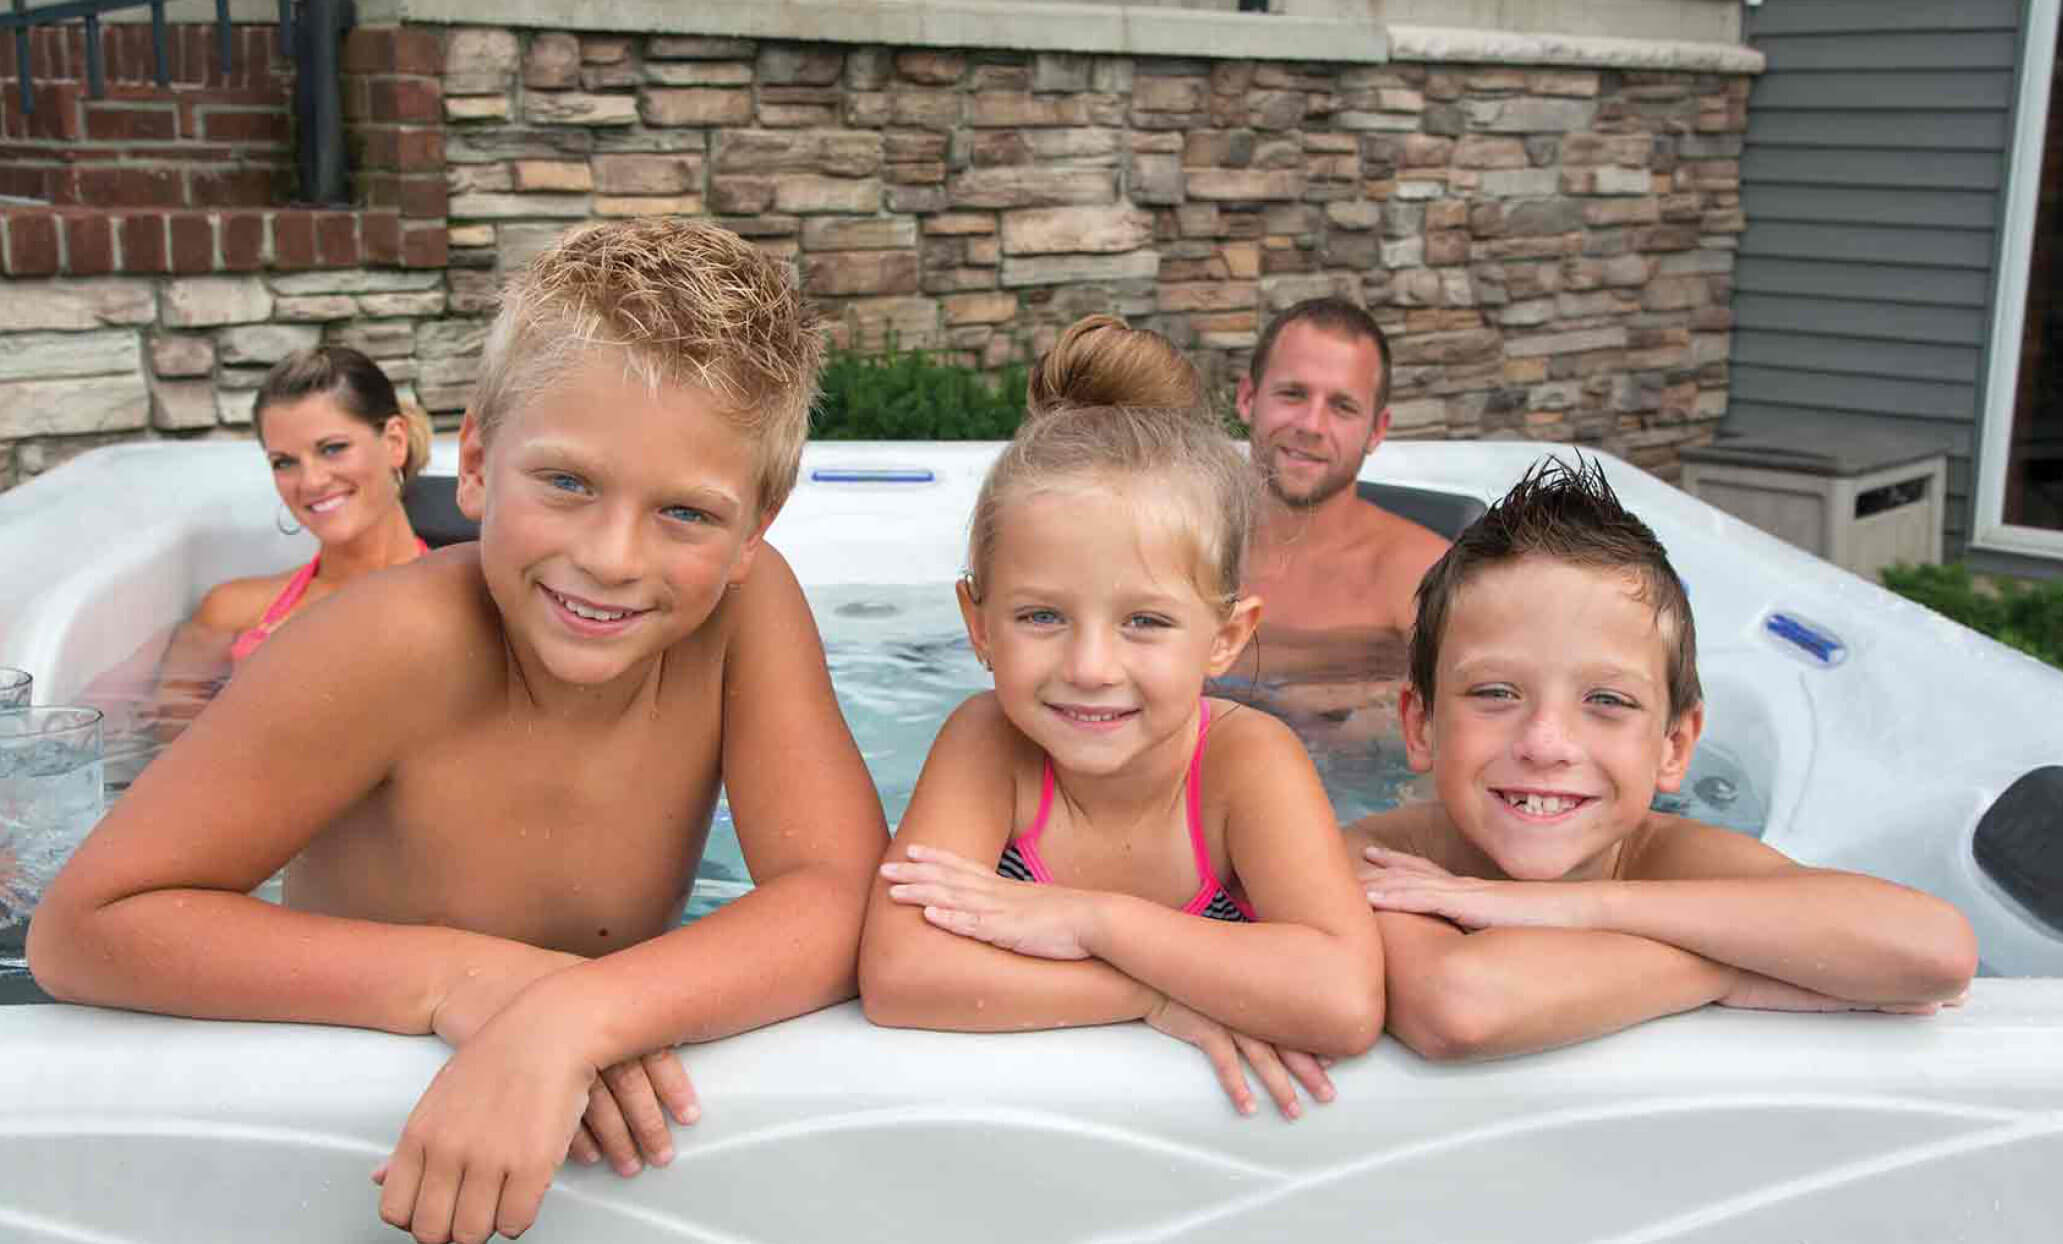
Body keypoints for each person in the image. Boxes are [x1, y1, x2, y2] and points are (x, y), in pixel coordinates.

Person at [29, 218, 889, 1243]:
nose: (612, 558)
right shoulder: (388, 642)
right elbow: (84, 928)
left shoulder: (747, 611)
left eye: (687, 514)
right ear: (475, 462)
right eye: (567, 482)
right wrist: (462, 980)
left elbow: (843, 897)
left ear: (755, 529)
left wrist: (579, 1013)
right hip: (346, 1120)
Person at [859, 316, 1384, 1120]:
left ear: (1226, 636)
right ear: (978, 625)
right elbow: (899, 975)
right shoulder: (987, 742)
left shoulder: (1246, 761)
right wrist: (1148, 995)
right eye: (1041, 617)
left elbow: (1342, 1000)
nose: (1089, 667)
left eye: (1145, 621)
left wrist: (1090, 920)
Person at [1344, 456, 1978, 1061]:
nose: (1545, 744)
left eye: (1607, 700)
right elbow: (1459, 1006)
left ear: (1674, 747)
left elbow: (1936, 951)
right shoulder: (1378, 860)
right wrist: (1730, 968)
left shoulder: (1664, 856)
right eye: (1495, 693)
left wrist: (1575, 907)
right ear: (1421, 724)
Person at [128, 347, 432, 740]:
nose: (311, 482)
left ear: (394, 442)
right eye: (284, 462)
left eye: (333, 448)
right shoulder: (232, 612)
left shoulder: (457, 602)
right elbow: (165, 749)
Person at [1227, 299, 1451, 774]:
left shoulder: (1420, 575)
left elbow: (1475, 723)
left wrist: (1366, 715)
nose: (1311, 425)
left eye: (1342, 406)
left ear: (1377, 430)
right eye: (1292, 394)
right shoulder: (1184, 545)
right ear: (1248, 399)